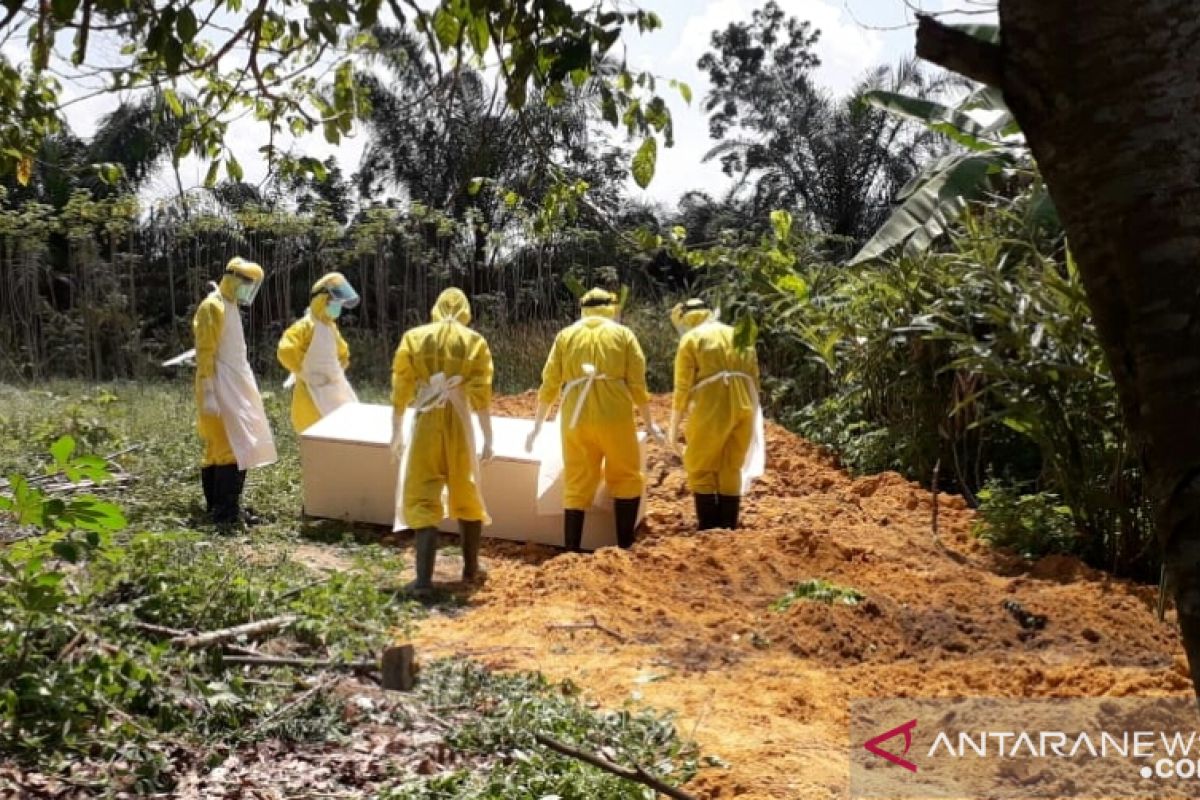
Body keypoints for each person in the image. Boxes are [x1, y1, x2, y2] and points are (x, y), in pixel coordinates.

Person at [526, 287, 663, 552]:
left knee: (577, 478)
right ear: (610, 308)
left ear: (583, 308)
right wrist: (648, 422)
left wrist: (538, 425)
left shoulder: (566, 336)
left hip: (575, 417)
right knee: (626, 475)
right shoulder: (623, 335)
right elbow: (637, 384)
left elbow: (550, 383)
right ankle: (625, 545)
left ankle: (572, 548)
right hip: (615, 416)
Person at [390, 288, 495, 596]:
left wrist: (395, 429)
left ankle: (423, 581)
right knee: (466, 487)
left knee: (422, 491)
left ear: (435, 309)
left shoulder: (415, 337)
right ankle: (471, 569)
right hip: (460, 420)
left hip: (426, 417)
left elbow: (400, 384)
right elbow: (482, 393)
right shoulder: (474, 341)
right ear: (466, 311)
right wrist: (488, 437)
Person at [193, 256, 277, 526]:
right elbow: (205, 351)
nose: (248, 290)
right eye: (246, 283)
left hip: (234, 382)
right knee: (228, 446)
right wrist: (207, 390)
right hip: (218, 383)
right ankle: (225, 513)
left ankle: (222, 508)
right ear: (233, 279)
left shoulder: (229, 306)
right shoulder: (212, 306)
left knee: (225, 447)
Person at [668, 298, 764, 530]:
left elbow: (682, 387)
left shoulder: (691, 339)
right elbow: (755, 377)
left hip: (711, 405)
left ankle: (710, 529)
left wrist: (673, 427)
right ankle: (728, 527)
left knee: (700, 465)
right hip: (744, 403)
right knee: (731, 466)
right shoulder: (736, 334)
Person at [277, 272, 360, 433]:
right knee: (316, 430)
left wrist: (337, 370)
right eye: (335, 302)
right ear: (322, 300)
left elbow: (343, 353)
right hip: (311, 388)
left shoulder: (331, 328)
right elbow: (286, 350)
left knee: (346, 426)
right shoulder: (306, 326)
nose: (338, 306)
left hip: (335, 385)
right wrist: (303, 373)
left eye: (340, 303)